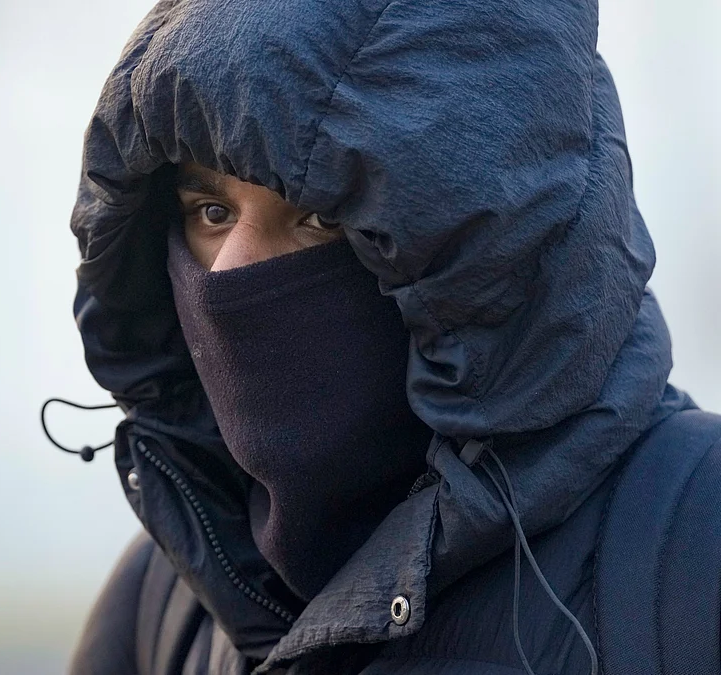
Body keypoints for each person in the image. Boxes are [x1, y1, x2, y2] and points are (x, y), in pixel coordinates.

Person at [59, 0, 721, 673]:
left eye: (319, 214)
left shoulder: (697, 539)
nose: (226, 275)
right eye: (211, 211)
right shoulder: (173, 595)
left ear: (493, 248)